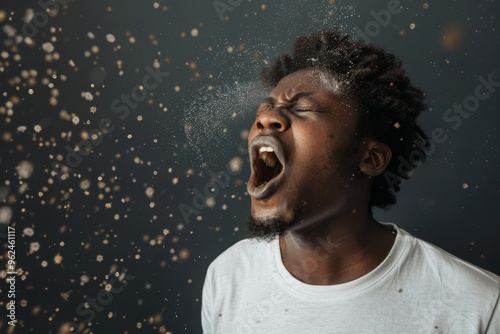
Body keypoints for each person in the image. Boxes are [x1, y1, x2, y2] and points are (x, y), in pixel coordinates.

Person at [201, 28, 500, 333]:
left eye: (303, 107)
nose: (266, 118)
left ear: (370, 159)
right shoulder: (227, 278)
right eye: (267, 106)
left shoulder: (479, 306)